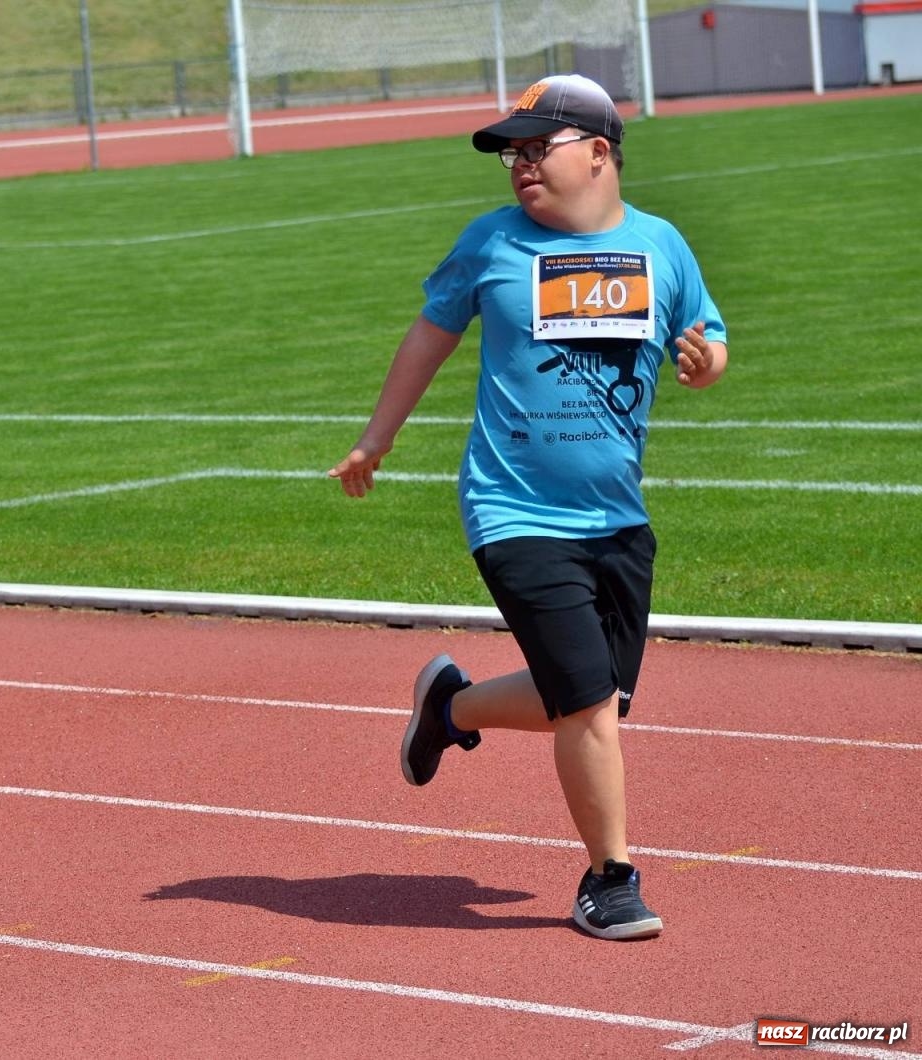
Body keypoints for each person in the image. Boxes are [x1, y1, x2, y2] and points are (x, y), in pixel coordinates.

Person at [328, 74, 727, 941]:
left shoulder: (662, 245)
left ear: (598, 152)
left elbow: (709, 328)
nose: (520, 166)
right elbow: (431, 333)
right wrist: (377, 437)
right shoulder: (491, 244)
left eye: (536, 147)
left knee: (594, 699)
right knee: (586, 706)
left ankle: (452, 708)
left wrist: (707, 362)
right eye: (511, 152)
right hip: (513, 509)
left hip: (617, 517)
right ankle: (609, 879)